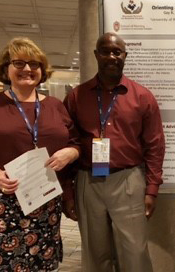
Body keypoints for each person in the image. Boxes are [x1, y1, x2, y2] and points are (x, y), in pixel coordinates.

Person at [0, 37, 80, 271]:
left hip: (45, 200)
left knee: (41, 262)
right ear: (6, 69)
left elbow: (75, 141)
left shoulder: (55, 106)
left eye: (34, 63)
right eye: (19, 63)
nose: (28, 69)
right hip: (0, 200)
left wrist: (70, 153)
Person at [64, 32, 165, 272]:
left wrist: (152, 189)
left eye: (117, 51)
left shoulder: (142, 97)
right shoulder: (77, 96)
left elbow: (155, 145)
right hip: (88, 181)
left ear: (125, 56)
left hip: (128, 180)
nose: (111, 56)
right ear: (96, 55)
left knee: (135, 252)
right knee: (94, 252)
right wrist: (68, 192)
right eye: (106, 51)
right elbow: (68, 143)